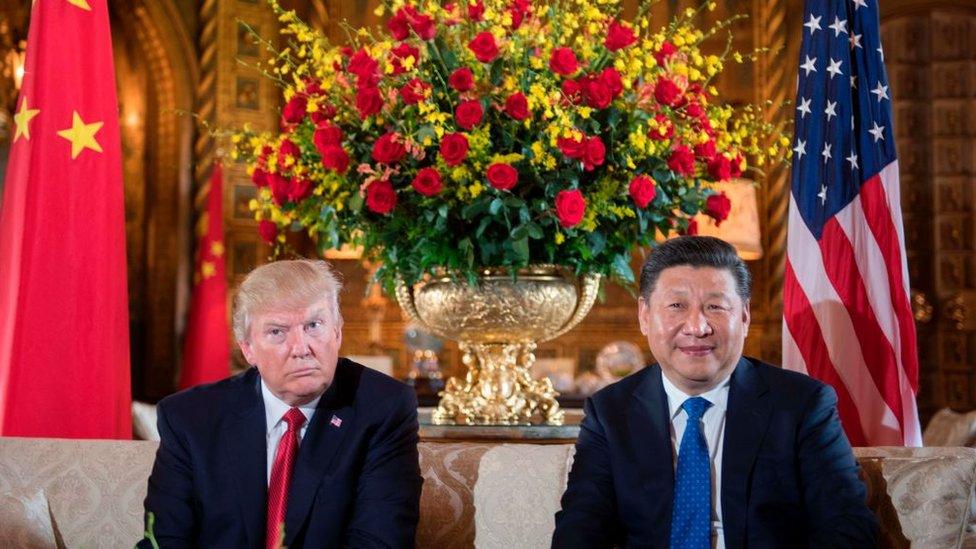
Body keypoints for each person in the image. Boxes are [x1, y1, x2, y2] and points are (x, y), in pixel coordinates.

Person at [552, 236, 877, 548]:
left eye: (716, 307)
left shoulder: (802, 406)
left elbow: (847, 527)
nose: (697, 327)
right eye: (677, 305)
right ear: (645, 316)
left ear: (745, 316)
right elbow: (580, 527)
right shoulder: (610, 412)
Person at [140, 259, 422, 548]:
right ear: (248, 348)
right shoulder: (190, 419)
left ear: (337, 331)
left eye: (314, 325)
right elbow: (164, 540)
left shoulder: (383, 408)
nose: (301, 348)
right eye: (277, 332)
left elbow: (380, 542)